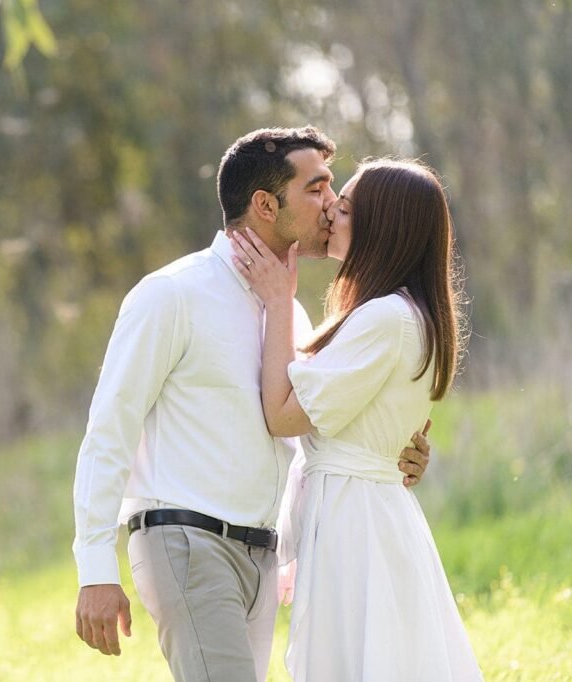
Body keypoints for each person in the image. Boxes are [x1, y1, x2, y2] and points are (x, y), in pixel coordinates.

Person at [72, 127, 432, 681]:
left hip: (263, 557)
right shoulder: (172, 294)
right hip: (187, 541)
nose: (331, 204)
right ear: (265, 204)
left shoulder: (292, 316)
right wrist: (96, 569)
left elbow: (310, 430)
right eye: (316, 188)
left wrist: (394, 450)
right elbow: (109, 430)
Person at [230, 158, 481, 680]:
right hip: (366, 510)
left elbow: (282, 416)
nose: (329, 215)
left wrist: (278, 300)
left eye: (343, 209)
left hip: (355, 519)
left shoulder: (386, 318)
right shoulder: (403, 313)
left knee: (359, 659)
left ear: (381, 227)